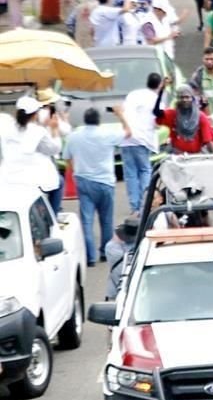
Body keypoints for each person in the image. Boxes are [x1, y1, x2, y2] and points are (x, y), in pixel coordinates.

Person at [63, 107, 132, 267]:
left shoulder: (74, 137)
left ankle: (90, 256)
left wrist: (76, 171)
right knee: (106, 220)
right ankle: (105, 253)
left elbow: (67, 158)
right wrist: (121, 115)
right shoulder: (107, 135)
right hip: (105, 182)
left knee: (87, 221)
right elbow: (128, 133)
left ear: (85, 120)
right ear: (98, 120)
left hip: (84, 181)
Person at [0, 96, 62, 214]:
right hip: (31, 180)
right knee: (60, 182)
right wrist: (54, 130)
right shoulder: (37, 131)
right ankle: (53, 216)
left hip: (7, 177)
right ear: (35, 114)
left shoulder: (5, 127)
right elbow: (54, 149)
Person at [120, 73, 162, 215]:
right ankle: (146, 204)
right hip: (143, 139)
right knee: (145, 171)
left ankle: (135, 208)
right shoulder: (157, 99)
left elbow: (124, 111)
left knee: (130, 174)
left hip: (126, 139)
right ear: (159, 84)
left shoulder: (133, 94)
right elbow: (158, 122)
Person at [154, 81, 213, 154]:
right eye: (181, 97)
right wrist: (161, 91)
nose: (184, 100)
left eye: (187, 97)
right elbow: (156, 112)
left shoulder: (201, 117)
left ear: (192, 98)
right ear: (177, 99)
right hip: (177, 157)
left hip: (195, 157)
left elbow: (208, 141)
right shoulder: (172, 114)